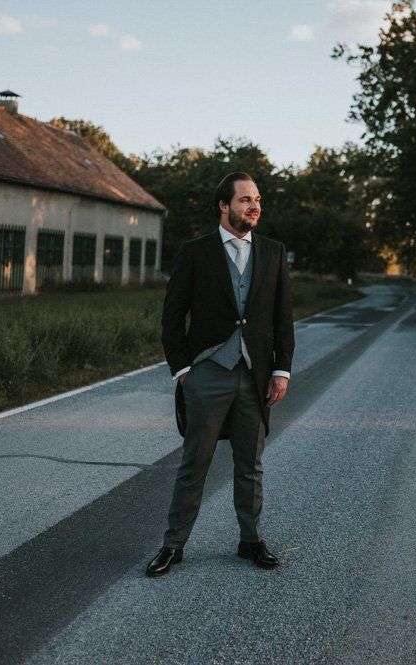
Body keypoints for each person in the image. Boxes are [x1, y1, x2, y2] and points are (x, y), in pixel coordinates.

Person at [145, 172, 295, 576]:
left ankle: (251, 541)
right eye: (245, 199)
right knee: (195, 463)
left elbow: (283, 317)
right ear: (224, 206)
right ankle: (173, 546)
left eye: (258, 199)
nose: (254, 206)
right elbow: (172, 316)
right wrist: (183, 370)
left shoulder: (273, 252)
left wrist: (280, 370)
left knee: (251, 465)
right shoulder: (196, 252)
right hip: (207, 372)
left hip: (256, 374)